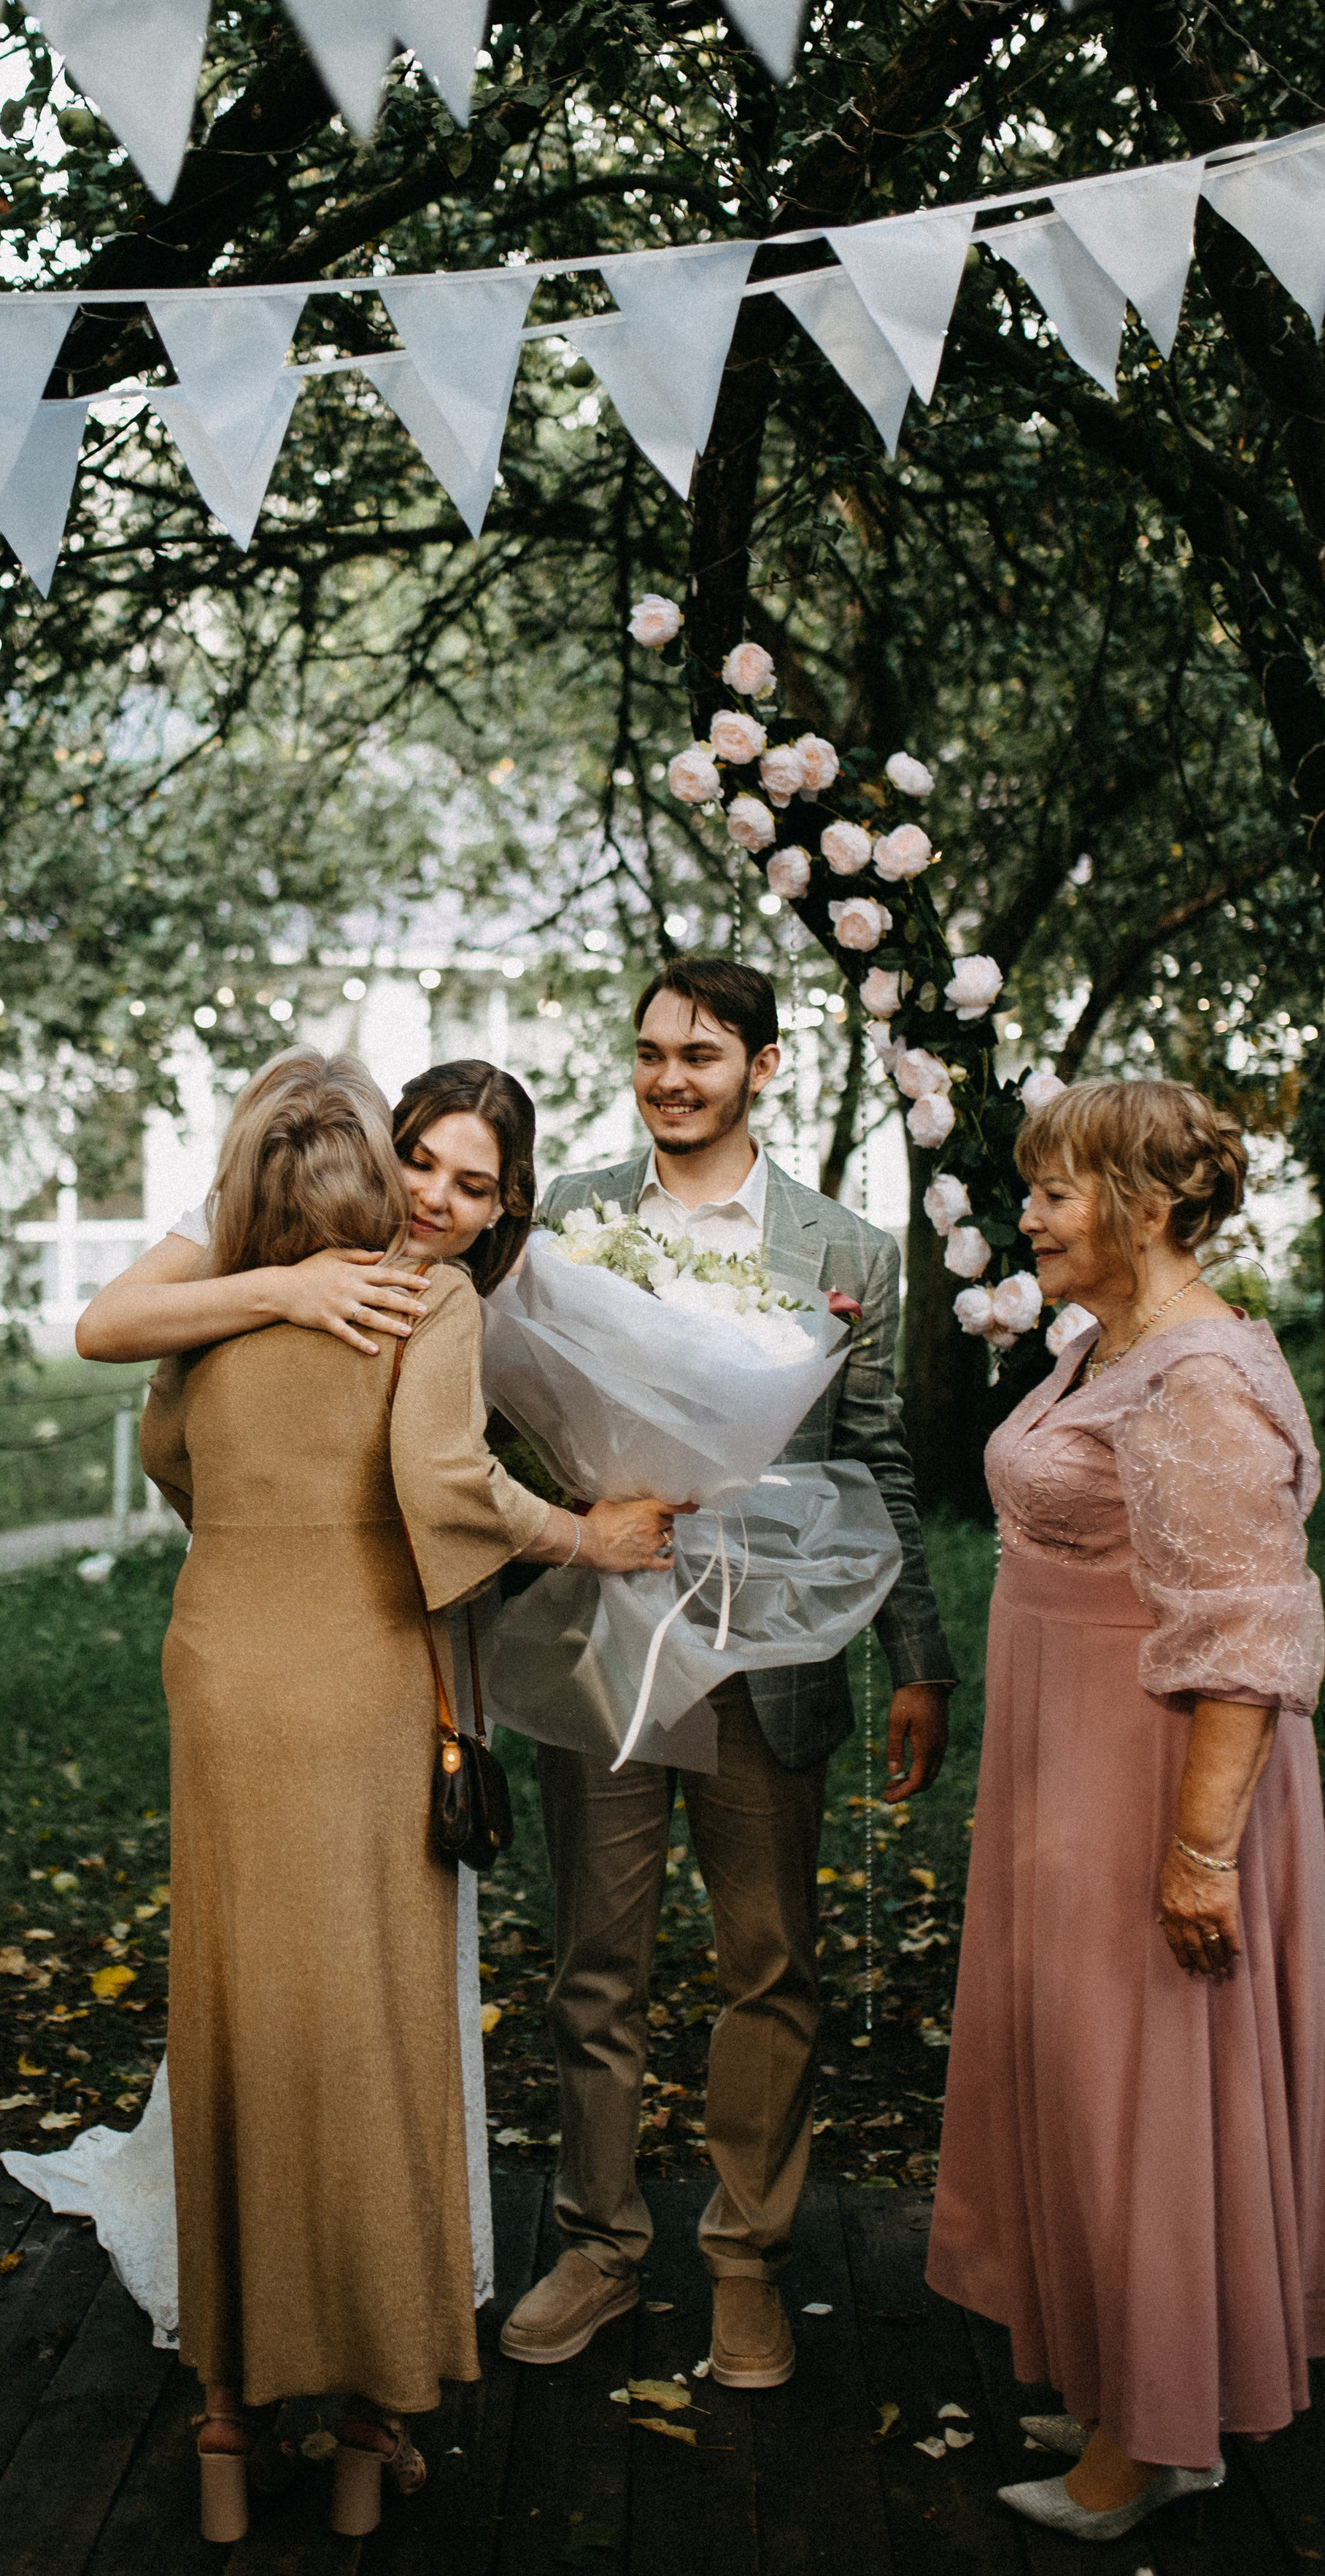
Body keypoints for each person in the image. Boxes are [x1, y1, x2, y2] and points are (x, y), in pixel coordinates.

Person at [136, 1048, 679, 2544]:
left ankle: (226, 2427)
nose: (441, 1202)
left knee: (232, 2021)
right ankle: (372, 2425)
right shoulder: (422, 1302)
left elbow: (165, 1455)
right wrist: (585, 1532)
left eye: (472, 1185)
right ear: (377, 1157)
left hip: (215, 1673)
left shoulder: (229, 1295)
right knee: (373, 2030)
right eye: (422, 1164)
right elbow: (442, 1486)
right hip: (359, 1685)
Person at [502, 956, 955, 2383]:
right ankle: (597, 2244)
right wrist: (578, 1518)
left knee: (768, 1965)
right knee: (595, 1963)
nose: (666, 1077)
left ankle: (745, 2257)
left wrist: (917, 1659)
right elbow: (511, 1417)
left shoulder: (849, 1254)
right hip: (611, 1640)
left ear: (760, 1065)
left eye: (697, 1054)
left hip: (777, 1651)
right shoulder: (565, 1219)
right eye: (647, 1052)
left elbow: (875, 1457)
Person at [927, 1078, 1325, 2545]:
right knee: (1085, 2081)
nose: (1023, 1215)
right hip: (1065, 1764)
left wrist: (1197, 1851)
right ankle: (1124, 2377)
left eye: (1051, 1190)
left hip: (1148, 1779)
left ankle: (1153, 2437)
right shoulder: (1112, 1343)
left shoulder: (1194, 1377)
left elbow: (1247, 1637)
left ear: (1143, 1207)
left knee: (1141, 2088)